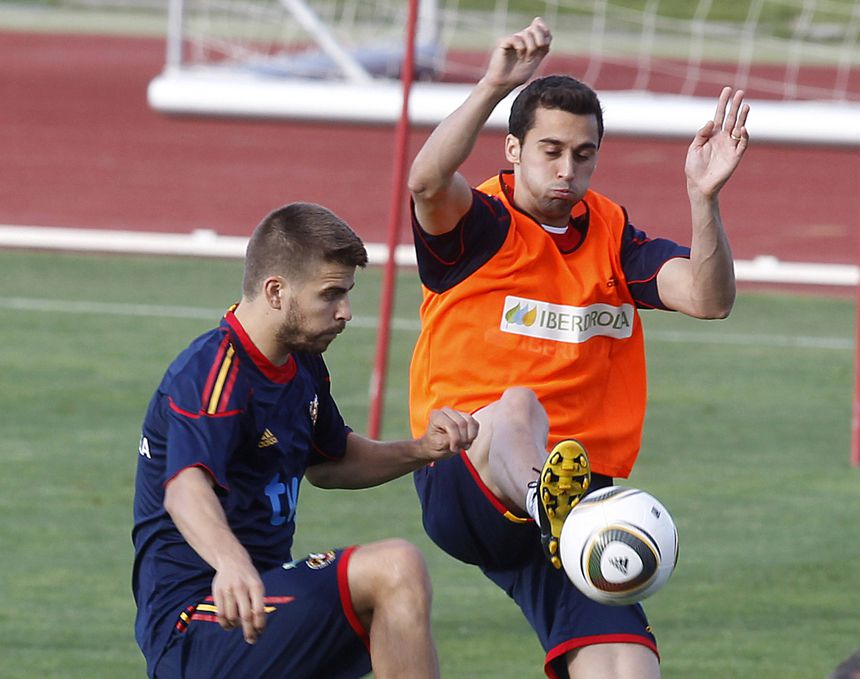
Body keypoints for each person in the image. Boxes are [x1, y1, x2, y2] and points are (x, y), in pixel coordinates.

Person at [406, 17, 749, 679]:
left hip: (579, 503)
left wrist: (703, 199)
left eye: (583, 154)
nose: (568, 169)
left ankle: (555, 512)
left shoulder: (613, 236)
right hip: (468, 472)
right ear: (512, 149)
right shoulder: (478, 225)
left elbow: (709, 297)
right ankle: (545, 500)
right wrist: (492, 84)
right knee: (516, 407)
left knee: (625, 664)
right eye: (551, 151)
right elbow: (425, 182)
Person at [132, 202, 479, 679]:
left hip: (262, 603)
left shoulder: (302, 365)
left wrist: (422, 449)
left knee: (391, 596)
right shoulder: (213, 371)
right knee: (395, 568)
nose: (346, 312)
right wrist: (231, 563)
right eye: (331, 295)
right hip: (202, 621)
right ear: (276, 291)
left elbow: (332, 463)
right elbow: (184, 488)